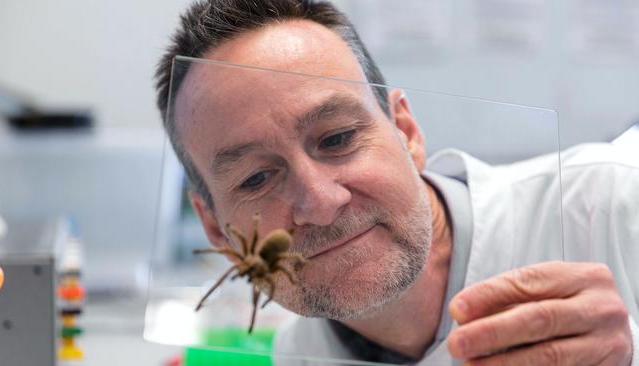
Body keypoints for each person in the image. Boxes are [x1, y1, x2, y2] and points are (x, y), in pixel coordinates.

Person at [154, 0, 639, 364]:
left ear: (406, 132)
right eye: (257, 178)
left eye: (337, 139)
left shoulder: (612, 205)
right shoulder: (297, 355)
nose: (320, 203)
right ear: (217, 232)